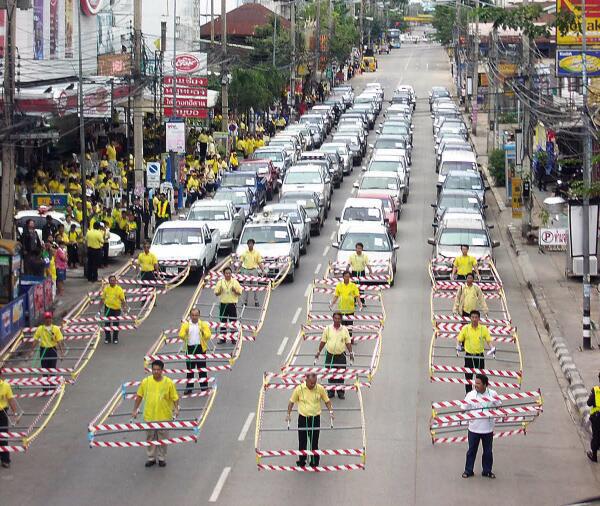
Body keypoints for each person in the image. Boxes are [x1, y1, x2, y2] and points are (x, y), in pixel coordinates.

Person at [131, 360, 179, 468]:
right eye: (154, 370)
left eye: (158, 370)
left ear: (162, 370)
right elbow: (139, 396)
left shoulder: (168, 382)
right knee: (150, 437)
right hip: (149, 416)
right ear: (151, 370)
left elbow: (175, 397)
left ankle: (162, 458)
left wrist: (176, 409)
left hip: (164, 415)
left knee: (163, 438)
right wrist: (135, 409)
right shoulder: (146, 381)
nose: (156, 372)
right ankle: (151, 458)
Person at [286, 372, 334, 467]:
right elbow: (291, 402)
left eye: (314, 383)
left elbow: (327, 401)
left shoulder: (320, 388)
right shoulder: (299, 389)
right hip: (303, 418)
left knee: (314, 441)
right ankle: (302, 461)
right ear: (306, 380)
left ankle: (314, 461)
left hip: (315, 419)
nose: (313, 385)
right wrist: (288, 414)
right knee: (302, 441)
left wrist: (331, 412)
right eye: (311, 383)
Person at [463, 374, 500, 479]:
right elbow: (463, 407)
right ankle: (468, 470)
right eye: (475, 383)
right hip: (474, 429)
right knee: (471, 451)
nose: (476, 385)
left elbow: (499, 405)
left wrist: (495, 413)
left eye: (478, 383)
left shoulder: (493, 394)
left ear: (485, 385)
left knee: (488, 452)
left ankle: (487, 471)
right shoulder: (470, 395)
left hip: (488, 429)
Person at [314, 312, 354, 399]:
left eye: (338, 318)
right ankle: (331, 392)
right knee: (330, 373)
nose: (337, 320)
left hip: (341, 356)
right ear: (333, 319)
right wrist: (318, 352)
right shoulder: (327, 329)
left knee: (340, 374)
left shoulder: (344, 330)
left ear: (341, 319)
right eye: (335, 318)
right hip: (330, 355)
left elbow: (348, 342)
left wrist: (351, 353)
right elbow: (323, 341)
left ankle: (340, 392)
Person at [456, 310, 494, 393]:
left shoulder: (483, 329)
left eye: (476, 317)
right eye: (472, 317)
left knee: (481, 377)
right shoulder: (466, 328)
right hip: (469, 356)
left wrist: (492, 348)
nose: (474, 319)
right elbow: (459, 339)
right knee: (468, 377)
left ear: (479, 318)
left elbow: (488, 340)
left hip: (479, 356)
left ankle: (480, 394)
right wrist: (458, 346)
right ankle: (468, 395)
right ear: (470, 318)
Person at [178, 308, 212, 395]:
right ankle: (189, 388)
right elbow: (180, 335)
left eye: (196, 315)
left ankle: (204, 387)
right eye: (192, 315)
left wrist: (203, 332)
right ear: (190, 316)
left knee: (202, 369)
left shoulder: (203, 324)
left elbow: (208, 335)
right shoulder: (186, 325)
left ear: (199, 316)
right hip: (189, 349)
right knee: (190, 370)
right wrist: (184, 332)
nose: (194, 317)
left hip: (200, 349)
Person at [32, 312, 65, 384]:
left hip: (52, 350)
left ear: (51, 319)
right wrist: (31, 351)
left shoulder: (55, 328)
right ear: (44, 319)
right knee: (44, 369)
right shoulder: (40, 329)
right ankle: (45, 388)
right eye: (46, 318)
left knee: (52, 369)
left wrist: (62, 353)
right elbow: (35, 340)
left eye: (49, 318)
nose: (48, 320)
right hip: (43, 350)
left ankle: (53, 386)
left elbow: (59, 341)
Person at [213, 267, 242, 344]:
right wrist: (220, 292)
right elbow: (216, 293)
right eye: (226, 273)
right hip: (223, 304)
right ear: (224, 274)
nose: (228, 275)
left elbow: (240, 293)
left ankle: (234, 339)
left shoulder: (235, 282)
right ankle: (223, 339)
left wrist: (235, 290)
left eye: (229, 273)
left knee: (233, 322)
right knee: (223, 322)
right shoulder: (220, 282)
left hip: (232, 305)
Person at [330, 270, 362, 336]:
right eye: (345, 276)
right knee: (342, 326)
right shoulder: (339, 286)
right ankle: (342, 338)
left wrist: (360, 304)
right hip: (341, 309)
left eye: (348, 276)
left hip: (350, 309)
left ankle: (350, 339)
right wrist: (332, 303)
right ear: (343, 277)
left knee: (350, 326)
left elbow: (357, 296)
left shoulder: (353, 286)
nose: (347, 278)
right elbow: (336, 296)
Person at [0, 368, 19, 468]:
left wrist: (15, 415)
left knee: (3, 437)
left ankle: (5, 460)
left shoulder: (5, 386)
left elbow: (11, 400)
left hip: (2, 414)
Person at [101, 275, 128, 344]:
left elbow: (122, 300)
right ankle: (107, 338)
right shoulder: (106, 289)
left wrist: (124, 307)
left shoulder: (119, 289)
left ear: (116, 281)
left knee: (116, 324)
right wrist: (99, 309)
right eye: (111, 281)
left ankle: (115, 338)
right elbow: (103, 299)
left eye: (114, 280)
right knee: (107, 324)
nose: (113, 282)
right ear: (109, 281)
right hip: (108, 308)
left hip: (116, 309)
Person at [239, 239, 265, 307]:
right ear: (247, 245)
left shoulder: (257, 253)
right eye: (249, 244)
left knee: (255, 286)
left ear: (253, 244)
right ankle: (245, 302)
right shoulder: (244, 253)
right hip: (246, 270)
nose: (250, 245)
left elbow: (259, 262)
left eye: (251, 244)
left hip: (254, 270)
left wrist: (263, 270)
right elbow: (241, 262)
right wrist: (237, 271)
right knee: (245, 287)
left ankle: (256, 301)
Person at [587, 372, 600, 462]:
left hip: (597, 418)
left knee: (596, 436)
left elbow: (589, 403)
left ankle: (594, 456)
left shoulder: (596, 390)